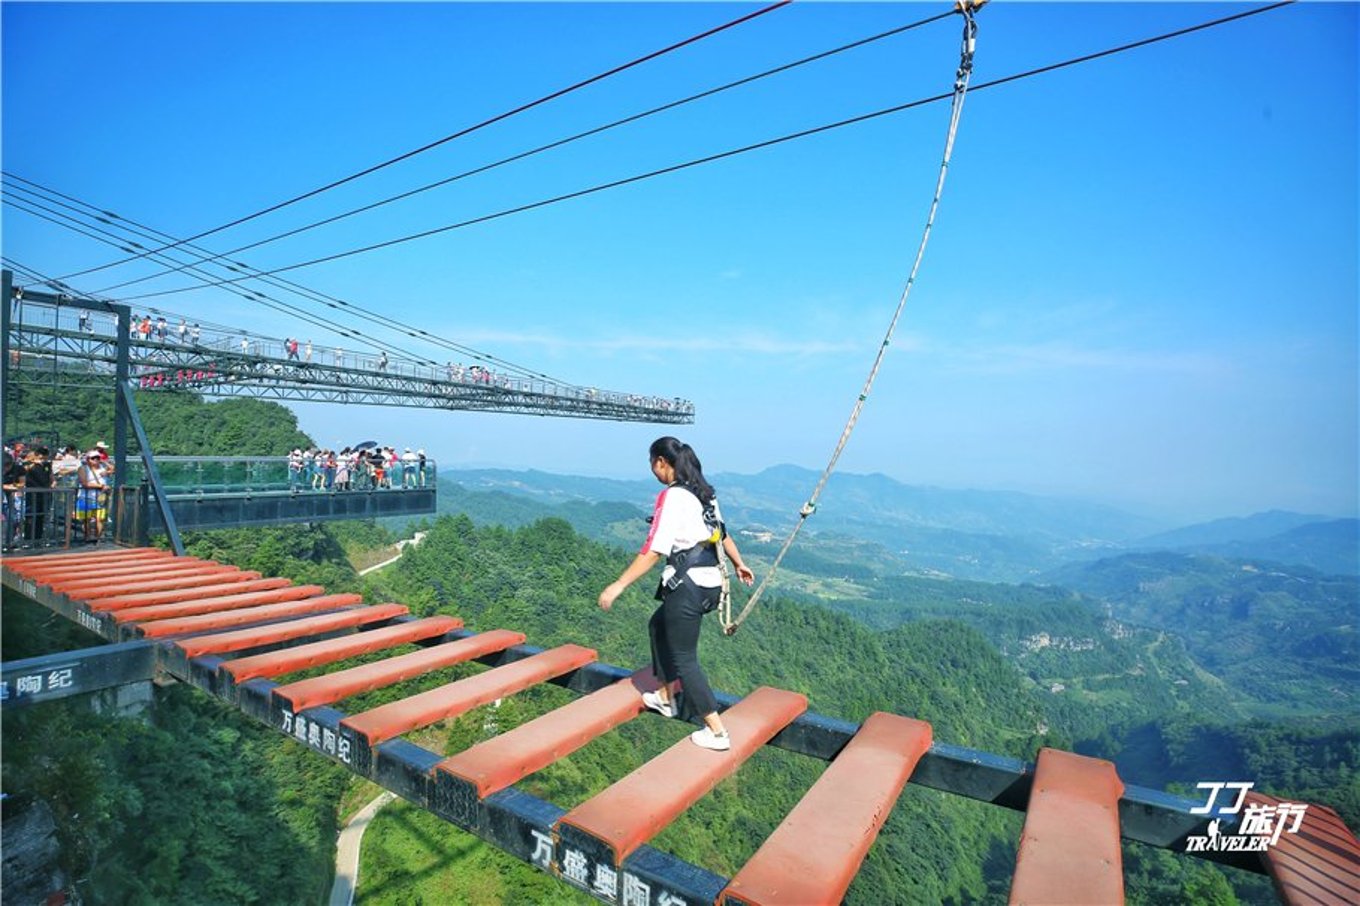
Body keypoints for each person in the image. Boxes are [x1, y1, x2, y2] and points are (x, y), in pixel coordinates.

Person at [598, 437, 755, 752]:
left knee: (685, 658)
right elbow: (722, 535)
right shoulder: (705, 494)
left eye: (652, 463)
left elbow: (654, 550)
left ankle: (717, 731)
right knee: (658, 625)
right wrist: (739, 564)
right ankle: (666, 696)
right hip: (710, 583)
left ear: (661, 462)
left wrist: (619, 584)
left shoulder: (672, 496)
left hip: (687, 585)